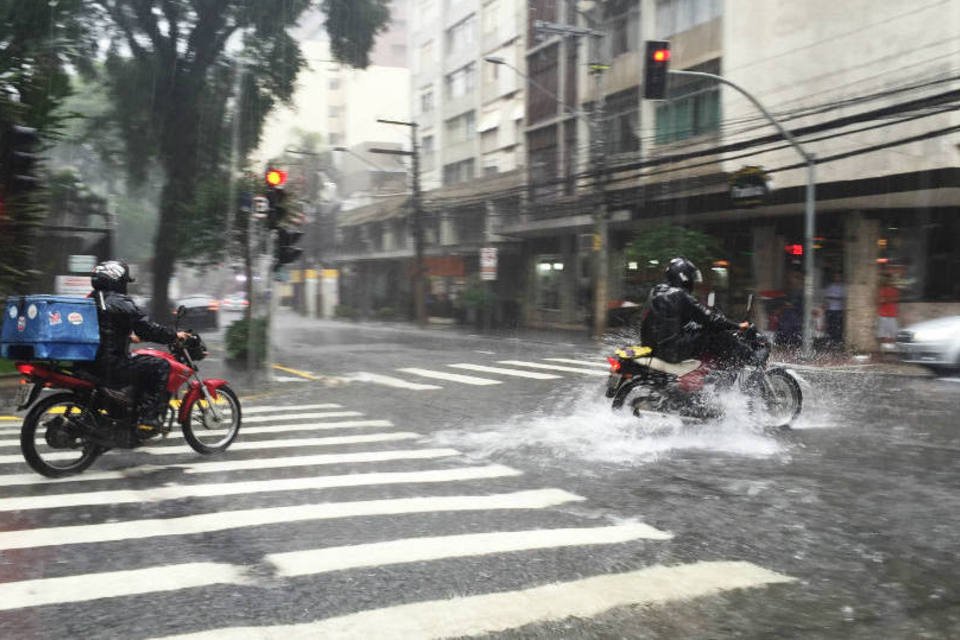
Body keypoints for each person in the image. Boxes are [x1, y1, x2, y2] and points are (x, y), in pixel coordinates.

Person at [88, 260, 189, 433]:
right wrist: (173, 335)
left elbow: (105, 327)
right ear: (116, 280)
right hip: (112, 365)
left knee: (141, 364)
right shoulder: (119, 301)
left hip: (92, 362)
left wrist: (128, 336)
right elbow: (147, 328)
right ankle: (149, 419)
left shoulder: (92, 299)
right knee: (160, 366)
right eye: (124, 281)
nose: (125, 285)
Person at [640, 257, 754, 367]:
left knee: (699, 331)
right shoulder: (679, 295)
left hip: (655, 349)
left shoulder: (655, 292)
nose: (692, 280)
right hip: (672, 351)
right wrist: (738, 325)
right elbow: (709, 319)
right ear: (683, 277)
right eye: (690, 276)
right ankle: (750, 360)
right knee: (717, 335)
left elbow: (668, 323)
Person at [876, 274, 900, 354]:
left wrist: (887, 299)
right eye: (887, 280)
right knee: (882, 334)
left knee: (894, 333)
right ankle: (882, 350)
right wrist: (887, 299)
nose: (889, 282)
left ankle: (892, 350)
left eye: (890, 280)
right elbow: (880, 301)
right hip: (883, 314)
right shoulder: (881, 290)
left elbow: (896, 299)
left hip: (892, 314)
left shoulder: (895, 290)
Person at [823, 271, 845, 347]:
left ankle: (838, 342)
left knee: (838, 327)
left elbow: (844, 298)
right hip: (831, 309)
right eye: (836, 276)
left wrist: (836, 298)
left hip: (839, 309)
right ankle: (831, 341)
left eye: (838, 276)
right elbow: (826, 298)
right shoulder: (830, 286)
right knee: (831, 326)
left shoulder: (843, 287)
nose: (837, 278)